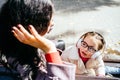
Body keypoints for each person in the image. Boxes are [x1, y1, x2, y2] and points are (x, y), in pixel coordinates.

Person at [0, 0, 76, 80]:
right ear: (33, 26)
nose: (52, 23)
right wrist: (49, 49)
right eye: (50, 19)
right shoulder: (19, 72)